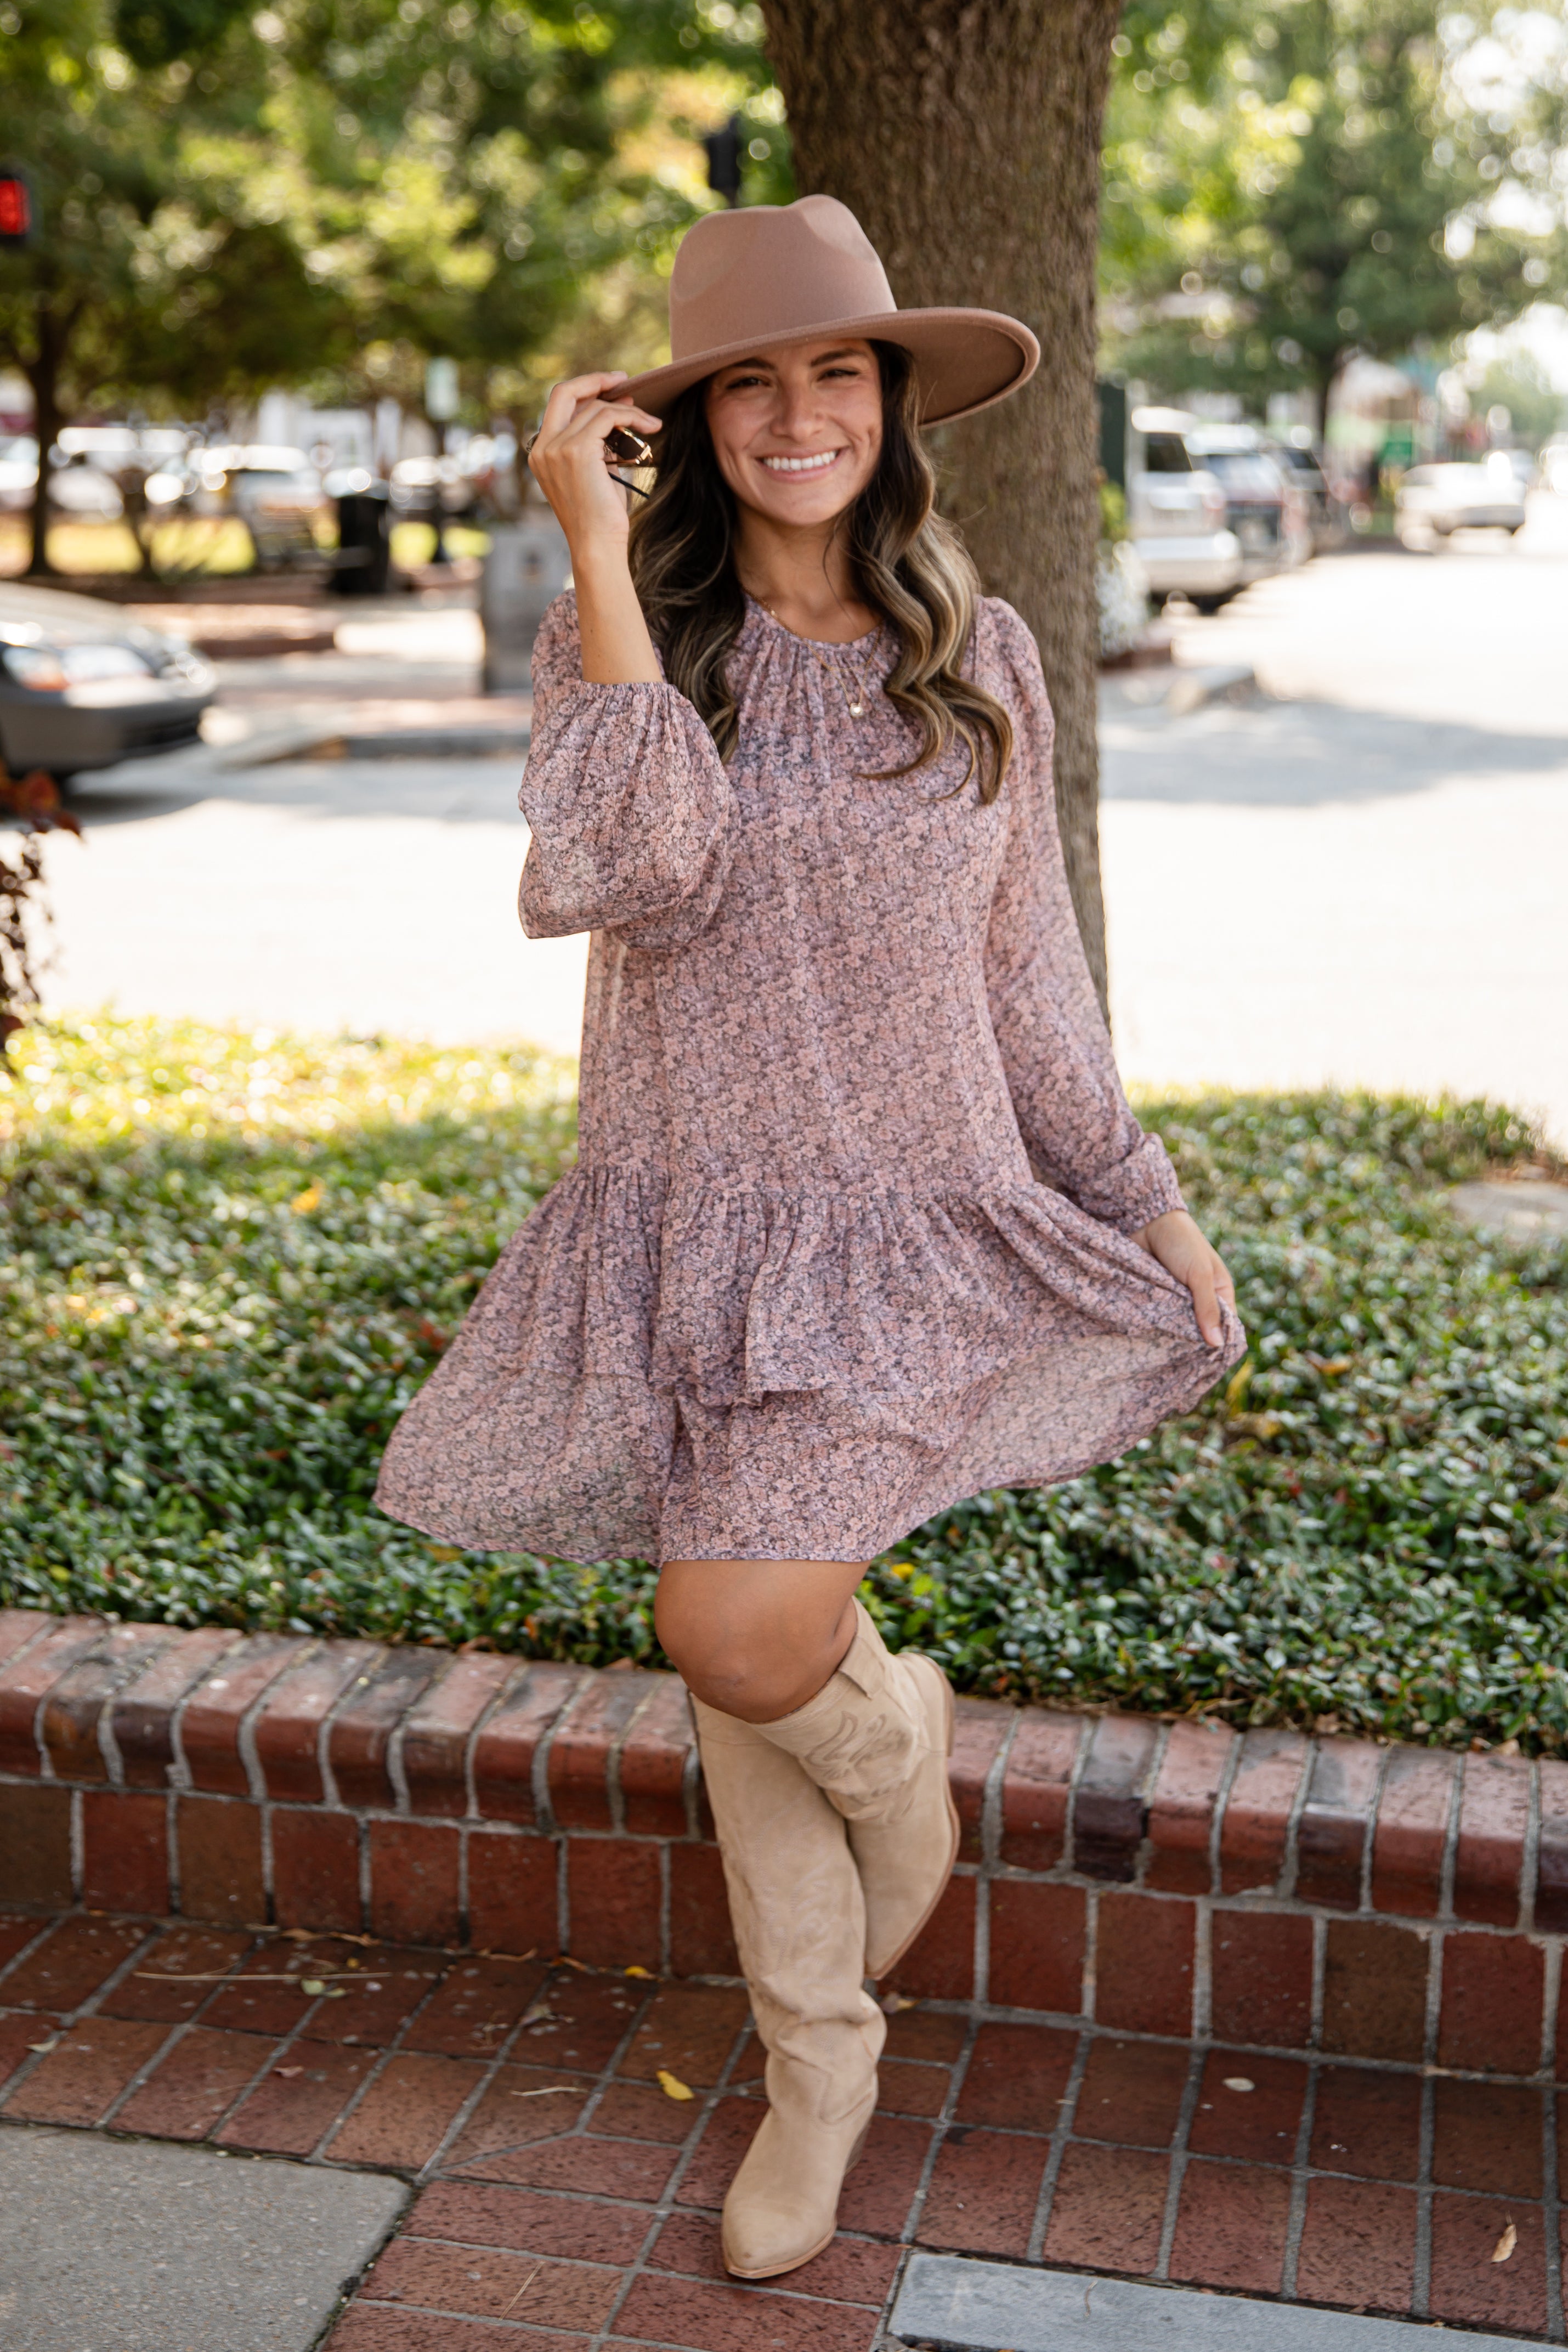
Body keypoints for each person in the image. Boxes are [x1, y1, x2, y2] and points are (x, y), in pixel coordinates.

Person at [377, 195, 1243, 2281]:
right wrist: (594, 554)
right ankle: (818, 2060)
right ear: (687, 422)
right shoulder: (638, 646)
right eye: (746, 381)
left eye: (833, 371)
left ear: (889, 405)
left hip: (907, 1236)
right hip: (684, 1228)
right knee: (731, 1646)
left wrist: (1145, 1201)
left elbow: (1029, 980)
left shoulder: (984, 653)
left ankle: (897, 1754)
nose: (796, 414)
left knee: (742, 1631)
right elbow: (635, 864)